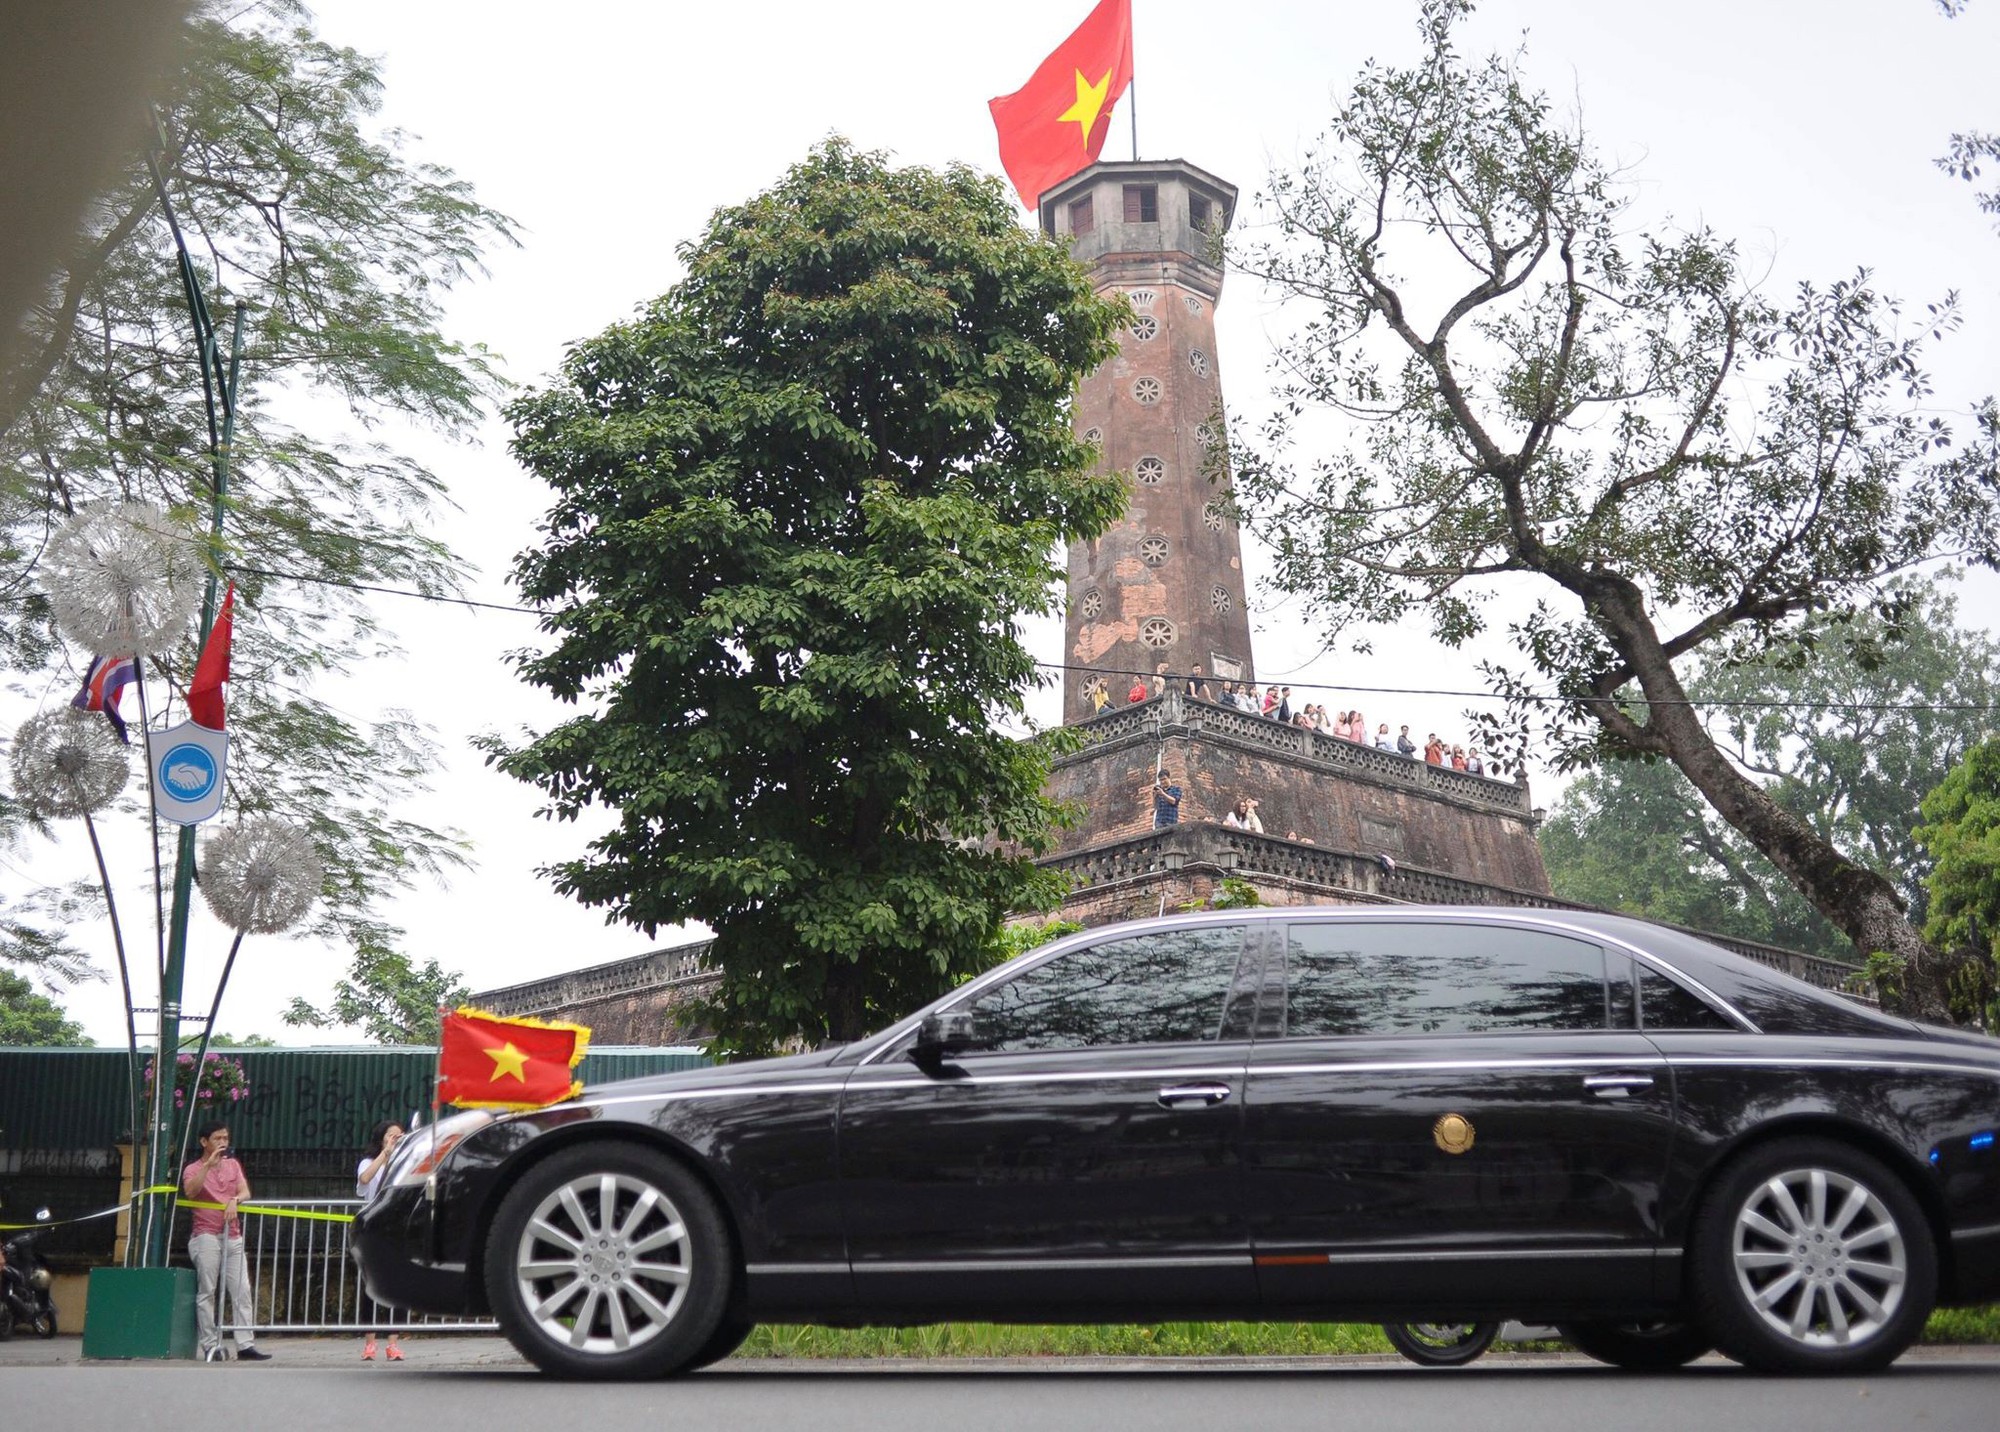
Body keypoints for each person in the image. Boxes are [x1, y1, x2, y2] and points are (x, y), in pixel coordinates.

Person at [183, 1122, 270, 1362]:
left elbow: (245, 1192)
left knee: (242, 1290)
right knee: (207, 1291)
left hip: (232, 1233)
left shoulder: (233, 1165)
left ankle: (245, 1345)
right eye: (217, 1138)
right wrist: (207, 1168)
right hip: (206, 1235)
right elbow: (190, 1191)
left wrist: (234, 1200)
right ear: (204, 1142)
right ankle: (210, 1344)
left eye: (225, 1138)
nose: (223, 1142)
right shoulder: (193, 1168)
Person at [356, 1120, 407, 1361]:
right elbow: (365, 1179)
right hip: (373, 1230)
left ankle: (393, 1342)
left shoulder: (405, 1163)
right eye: (391, 1136)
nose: (395, 1139)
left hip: (397, 1228)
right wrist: (385, 1155)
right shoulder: (369, 1162)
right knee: (370, 1286)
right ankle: (369, 1342)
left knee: (398, 1286)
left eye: (399, 1136)